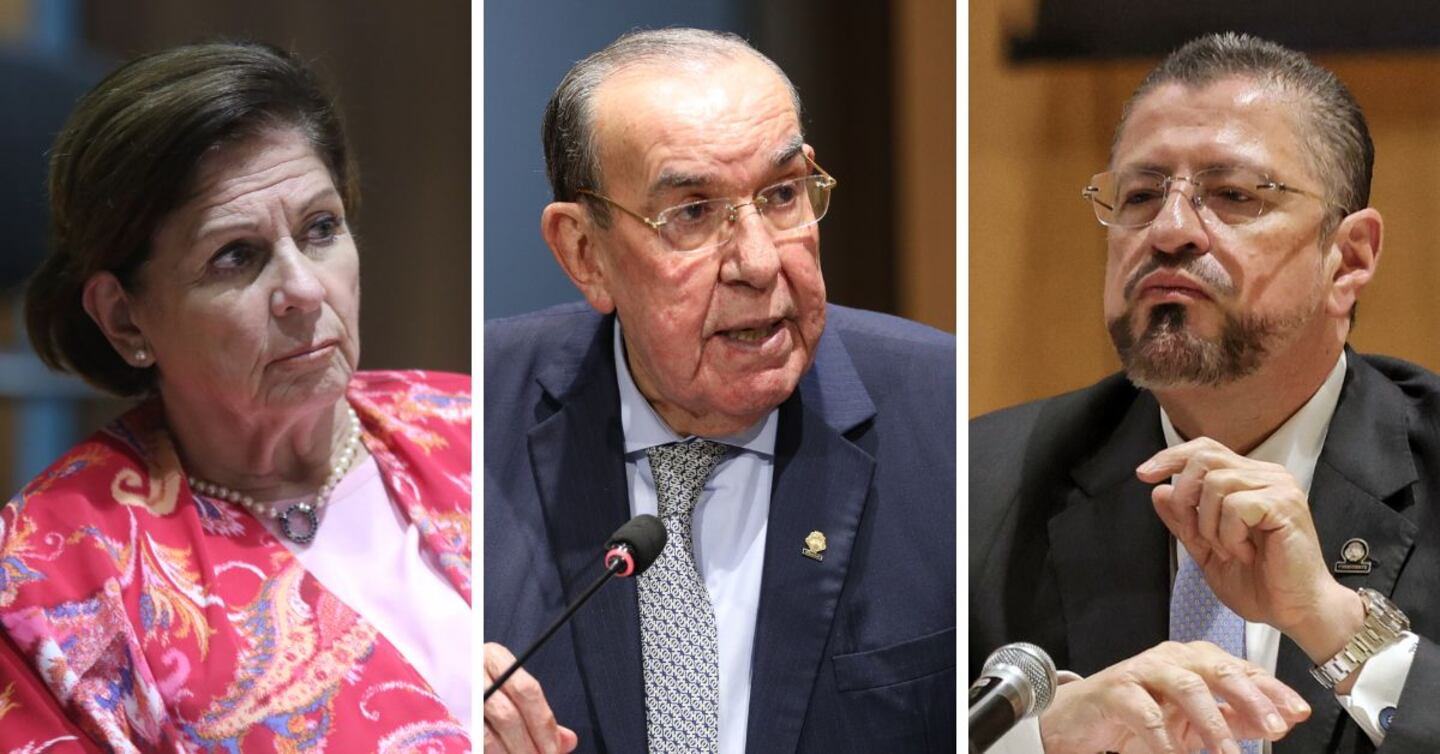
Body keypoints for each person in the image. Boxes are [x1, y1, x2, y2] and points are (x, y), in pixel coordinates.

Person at [483, 28, 956, 754]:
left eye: (783, 194)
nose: (759, 263)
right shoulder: (470, 424)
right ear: (585, 253)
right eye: (693, 213)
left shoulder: (944, 415)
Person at [971, 32, 1440, 753]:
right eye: (1140, 195)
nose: (1169, 231)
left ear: (1348, 259)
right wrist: (1040, 740)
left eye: (1233, 195)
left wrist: (1334, 624)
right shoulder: (979, 487)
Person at [0, 43, 472, 752]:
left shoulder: (476, 424)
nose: (304, 290)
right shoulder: (47, 575)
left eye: (321, 228)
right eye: (236, 256)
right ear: (126, 318)